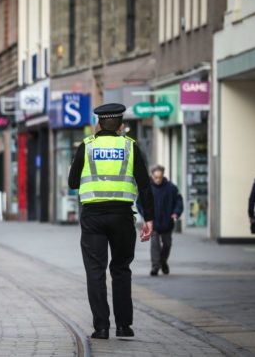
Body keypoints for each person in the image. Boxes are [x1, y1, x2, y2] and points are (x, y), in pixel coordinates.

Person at [68, 103, 154, 340]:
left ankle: (101, 327)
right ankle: (124, 326)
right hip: (122, 216)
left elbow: (73, 182)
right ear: (120, 125)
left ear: (98, 123)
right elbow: (144, 185)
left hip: (93, 216)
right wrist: (150, 218)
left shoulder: (87, 145)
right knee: (121, 269)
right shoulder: (130, 146)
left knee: (95, 272)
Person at [145, 165, 183, 276]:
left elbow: (179, 201)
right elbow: (140, 203)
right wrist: (146, 215)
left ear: (163, 176)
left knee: (167, 244)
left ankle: (163, 261)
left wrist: (176, 213)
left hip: (167, 222)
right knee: (155, 245)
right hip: (153, 222)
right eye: (156, 177)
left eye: (160, 177)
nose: (158, 180)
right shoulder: (147, 189)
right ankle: (155, 267)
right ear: (152, 176)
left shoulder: (171, 188)